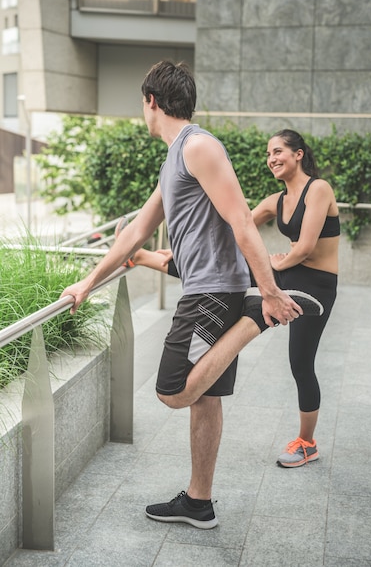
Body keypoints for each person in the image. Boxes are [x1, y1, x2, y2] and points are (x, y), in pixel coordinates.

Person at [61, 61, 307, 530]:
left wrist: (269, 295)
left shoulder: (198, 147)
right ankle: (199, 501)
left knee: (172, 390)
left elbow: (241, 222)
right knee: (205, 398)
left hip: (212, 291)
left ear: (152, 101)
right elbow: (137, 231)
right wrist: (87, 282)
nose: (142, 111)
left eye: (142, 104)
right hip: (212, 287)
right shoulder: (176, 156)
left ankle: (257, 319)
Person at [118, 128, 339, 468]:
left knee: (301, 363)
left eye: (279, 151)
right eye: (268, 154)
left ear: (298, 154)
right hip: (283, 278)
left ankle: (307, 443)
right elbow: (235, 231)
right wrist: (187, 248)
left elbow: (307, 246)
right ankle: (144, 256)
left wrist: (275, 262)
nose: (272, 159)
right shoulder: (274, 202)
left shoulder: (319, 189)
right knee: (214, 266)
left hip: (316, 286)